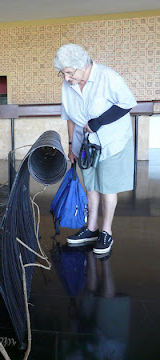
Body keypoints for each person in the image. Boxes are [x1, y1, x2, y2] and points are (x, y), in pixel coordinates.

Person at [53, 44, 137, 255]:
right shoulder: (69, 85)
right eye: (62, 74)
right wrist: (71, 145)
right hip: (85, 144)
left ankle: (106, 232)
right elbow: (70, 117)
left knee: (107, 187)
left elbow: (127, 103)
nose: (66, 78)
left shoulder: (107, 76)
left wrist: (98, 122)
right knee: (90, 185)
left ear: (83, 65)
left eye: (69, 73)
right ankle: (91, 228)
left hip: (111, 140)